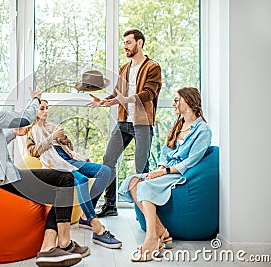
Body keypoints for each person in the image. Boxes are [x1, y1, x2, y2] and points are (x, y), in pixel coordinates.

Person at [0, 67, 88, 267]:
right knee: (65, 179)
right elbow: (24, 118)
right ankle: (60, 245)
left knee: (59, 184)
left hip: (4, 176)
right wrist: (36, 99)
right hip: (2, 182)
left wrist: (13, 134)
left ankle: (54, 247)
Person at [118, 87, 212, 262]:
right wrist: (158, 170)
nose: (173, 103)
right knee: (133, 181)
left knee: (145, 185)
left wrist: (164, 172)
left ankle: (152, 238)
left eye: (177, 100)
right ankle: (163, 232)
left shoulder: (203, 131)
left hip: (182, 175)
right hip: (166, 171)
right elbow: (165, 152)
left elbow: (191, 162)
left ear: (189, 102)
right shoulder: (178, 125)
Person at [25, 99, 122, 249]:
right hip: (56, 165)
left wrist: (63, 138)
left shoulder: (53, 127)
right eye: (41, 108)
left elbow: (69, 147)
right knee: (82, 180)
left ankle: (85, 216)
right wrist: (51, 137)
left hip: (70, 159)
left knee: (105, 171)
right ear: (34, 112)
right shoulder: (32, 131)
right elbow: (33, 151)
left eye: (47, 108)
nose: (45, 111)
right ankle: (96, 226)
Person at [87, 29, 162, 217]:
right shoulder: (124, 68)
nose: (125, 46)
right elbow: (118, 93)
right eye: (124, 43)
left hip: (142, 123)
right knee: (108, 161)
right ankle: (110, 205)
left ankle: (144, 211)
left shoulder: (152, 67)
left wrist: (126, 99)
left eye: (128, 42)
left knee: (141, 167)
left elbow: (149, 93)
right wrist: (105, 101)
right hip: (123, 122)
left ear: (140, 43)